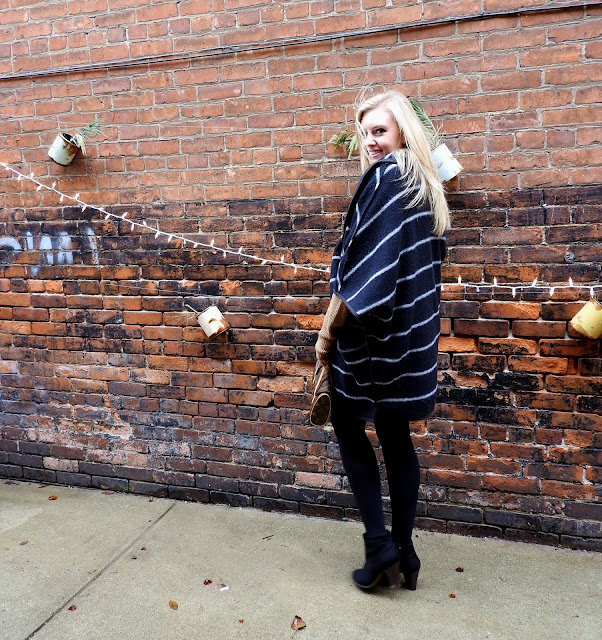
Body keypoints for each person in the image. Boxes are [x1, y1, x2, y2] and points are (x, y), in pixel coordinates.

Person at [316, 89, 449, 591]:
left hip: (375, 340)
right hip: (412, 337)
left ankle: (379, 547)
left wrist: (329, 332)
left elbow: (366, 274)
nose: (370, 141)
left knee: (348, 425)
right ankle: (406, 551)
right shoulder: (423, 182)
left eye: (380, 131)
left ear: (402, 134)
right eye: (365, 131)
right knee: (395, 436)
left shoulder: (388, 176)